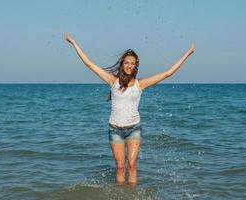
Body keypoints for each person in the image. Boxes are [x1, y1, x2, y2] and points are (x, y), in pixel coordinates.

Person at [64, 32, 195, 186]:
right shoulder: (112, 81)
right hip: (115, 130)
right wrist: (73, 42)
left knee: (132, 165)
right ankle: (121, 194)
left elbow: (168, 73)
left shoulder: (141, 84)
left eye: (132, 63)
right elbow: (89, 63)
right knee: (120, 167)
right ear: (122, 64)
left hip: (134, 128)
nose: (129, 66)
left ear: (135, 67)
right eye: (127, 62)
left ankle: (131, 194)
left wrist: (188, 53)